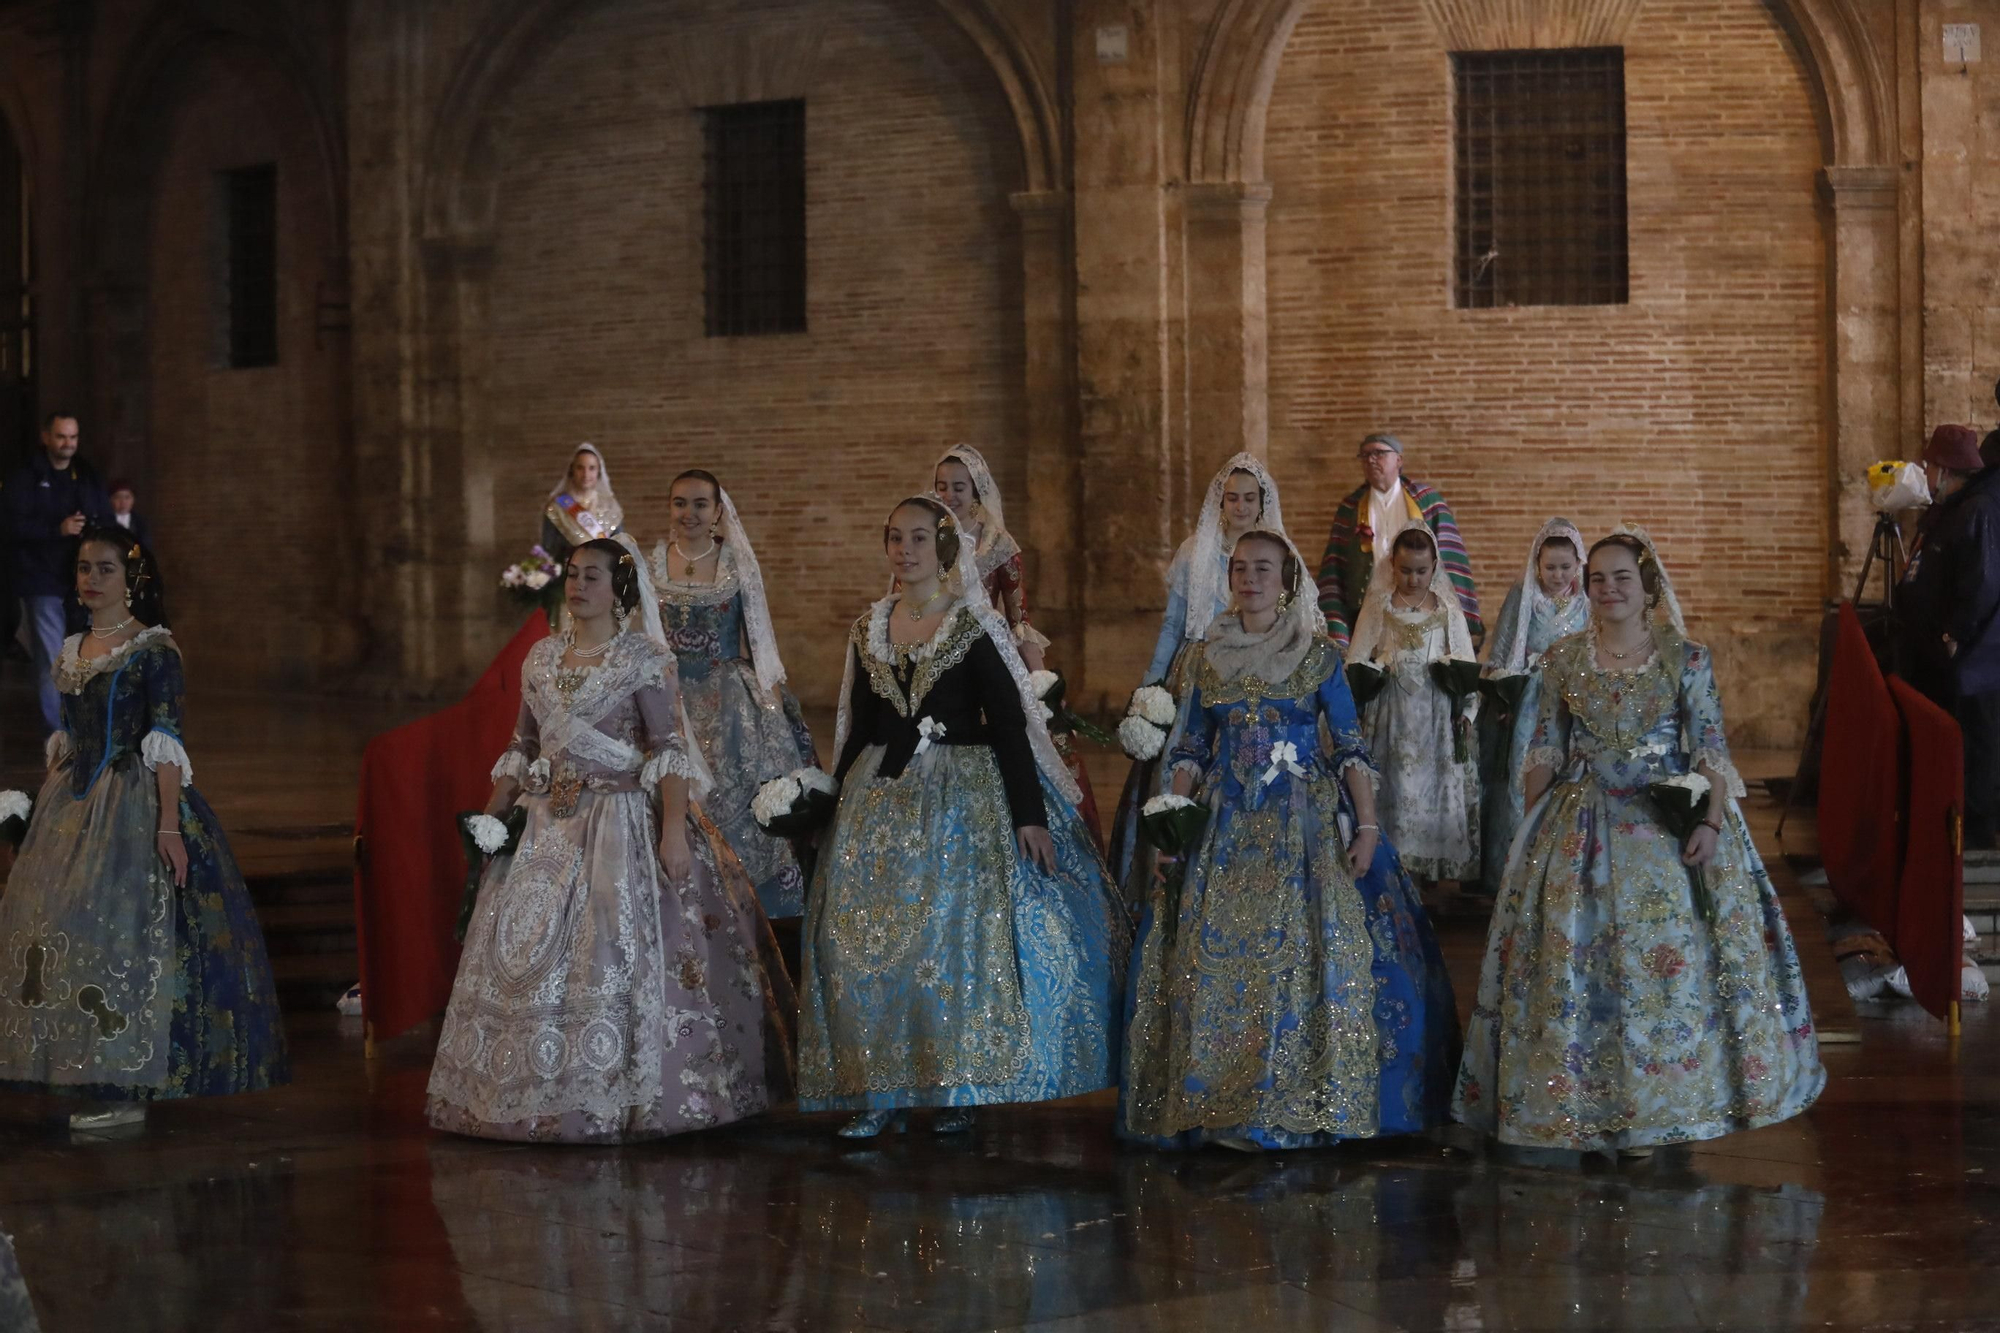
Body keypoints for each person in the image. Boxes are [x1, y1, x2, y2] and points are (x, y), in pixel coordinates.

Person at [1453, 530, 1825, 1155]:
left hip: (1668, 829)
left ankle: (1669, 1105)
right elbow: (1544, 745)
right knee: (1582, 969)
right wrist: (1528, 832)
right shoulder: (1564, 660)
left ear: (1648, 585)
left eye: (1621, 577)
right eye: (1597, 578)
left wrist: (1709, 823)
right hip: (1583, 824)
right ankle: (1578, 1102)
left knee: (1666, 975)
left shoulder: (1689, 659)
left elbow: (1710, 750)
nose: (1608, 588)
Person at [425, 533, 795, 1143]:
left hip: (617, 823)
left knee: (608, 950)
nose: (578, 586)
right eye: (572, 574)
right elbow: (521, 747)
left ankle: (619, 1098)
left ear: (620, 589)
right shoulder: (541, 659)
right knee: (525, 960)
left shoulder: (644, 660)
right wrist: (491, 821)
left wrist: (673, 832)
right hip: (544, 828)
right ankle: (519, 1094)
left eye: (593, 576)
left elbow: (670, 751)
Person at [796, 495, 1127, 1139]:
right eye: (895, 537)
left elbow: (1008, 725)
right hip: (879, 800)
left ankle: (957, 1083)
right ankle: (876, 1088)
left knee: (951, 943)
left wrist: (1030, 816)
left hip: (961, 800)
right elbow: (860, 726)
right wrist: (828, 802)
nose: (905, 549)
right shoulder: (869, 627)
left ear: (945, 549)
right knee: (864, 941)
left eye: (919, 538)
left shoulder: (973, 627)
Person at [1121, 528, 1460, 1150]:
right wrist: (1174, 818)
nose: (1249, 579)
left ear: (1287, 581)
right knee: (1222, 963)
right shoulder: (1205, 656)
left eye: (1263, 569)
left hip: (1303, 822)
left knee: (1303, 959)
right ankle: (1224, 1101)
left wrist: (1365, 827)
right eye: (1241, 569)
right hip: (1226, 822)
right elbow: (1193, 746)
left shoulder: (1317, 654)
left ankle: (1296, 1100)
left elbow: (1351, 746)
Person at [0, 528, 288, 1130]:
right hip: (72, 803)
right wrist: (40, 805)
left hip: (130, 802)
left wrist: (167, 828)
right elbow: (70, 737)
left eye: (105, 569)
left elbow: (165, 743)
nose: (91, 579)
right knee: (66, 931)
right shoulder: (73, 645)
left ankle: (125, 1085)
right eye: (84, 568)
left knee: (128, 936)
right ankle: (79, 1066)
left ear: (132, 581)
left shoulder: (153, 650)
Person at [1107, 453, 1285, 902]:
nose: (1241, 507)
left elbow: (1295, 619)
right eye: (1232, 498)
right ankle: (1166, 886)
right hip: (1195, 674)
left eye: (1249, 498)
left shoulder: (1276, 549)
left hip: (1253, 673)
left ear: (1261, 502)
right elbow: (1173, 624)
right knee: (1182, 768)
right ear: (1219, 502)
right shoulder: (1195, 551)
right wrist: (1150, 686)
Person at [650, 469, 818, 918]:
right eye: (680, 503)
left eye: (700, 504)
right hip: (667, 701)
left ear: (718, 511)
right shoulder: (650, 564)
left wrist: (775, 710)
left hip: (728, 701)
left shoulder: (736, 562)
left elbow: (760, 639)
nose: (689, 513)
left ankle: (745, 916)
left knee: (742, 804)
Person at [931, 444, 1103, 843]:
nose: (948, 495)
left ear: (977, 490)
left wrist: (1040, 683)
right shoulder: (926, 536)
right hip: (933, 661)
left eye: (958, 486)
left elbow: (1019, 622)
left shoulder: (999, 545)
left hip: (987, 661)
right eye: (941, 486)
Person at [1346, 527, 1481, 886]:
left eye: (1422, 571)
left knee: (1430, 790)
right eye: (1406, 570)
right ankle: (1392, 874)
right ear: (1393, 564)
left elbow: (1466, 663)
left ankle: (1430, 881)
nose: (1413, 578)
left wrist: (1467, 711)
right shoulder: (1379, 605)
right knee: (1396, 787)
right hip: (1392, 714)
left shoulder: (1447, 607)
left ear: (1435, 566)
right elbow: (1358, 658)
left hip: (1435, 716)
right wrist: (1370, 680)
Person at [1477, 519, 1589, 892]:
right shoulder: (1524, 595)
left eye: (1565, 567)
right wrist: (1504, 696)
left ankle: (1565, 866)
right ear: (1537, 564)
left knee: (1572, 776)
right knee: (1525, 777)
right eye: (1550, 567)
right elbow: (1504, 646)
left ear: (1578, 564)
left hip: (1575, 698)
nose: (1558, 575)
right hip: (1532, 699)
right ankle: (1519, 869)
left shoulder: (1585, 601)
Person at [1903, 424, 2000, 850]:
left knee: (1976, 743)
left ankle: (1975, 835)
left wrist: (1953, 635)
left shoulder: (1975, 510)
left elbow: (1980, 584)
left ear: (1945, 469)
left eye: (1928, 467)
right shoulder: (1950, 509)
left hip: (1973, 658)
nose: (1923, 475)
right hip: (1947, 655)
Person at [1314, 433, 1480, 649]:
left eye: (1379, 453)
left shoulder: (1428, 502)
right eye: (1365, 455)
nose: (1371, 459)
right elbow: (1334, 569)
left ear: (1399, 460)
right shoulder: (1350, 508)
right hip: (1365, 618)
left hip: (1423, 614)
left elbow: (1451, 561)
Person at [3, 412, 113, 732]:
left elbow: (104, 517)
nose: (68, 444)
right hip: (41, 580)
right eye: (62, 437)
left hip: (82, 582)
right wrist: (58, 529)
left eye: (73, 437)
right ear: (46, 437)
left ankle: (88, 725)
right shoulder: (25, 478)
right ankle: (61, 733)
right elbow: (12, 526)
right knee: (52, 659)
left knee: (89, 655)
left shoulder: (87, 475)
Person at [538, 443, 623, 568]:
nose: (586, 474)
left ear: (599, 471)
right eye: (580, 468)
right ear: (572, 470)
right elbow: (549, 550)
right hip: (568, 576)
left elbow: (620, 548)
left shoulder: (611, 506)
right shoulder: (557, 507)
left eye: (592, 468)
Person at [106, 479, 151, 548]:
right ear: (110, 500)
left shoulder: (140, 522)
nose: (123, 502)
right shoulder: (104, 521)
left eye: (127, 497)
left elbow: (145, 546)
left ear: (133, 500)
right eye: (118, 497)